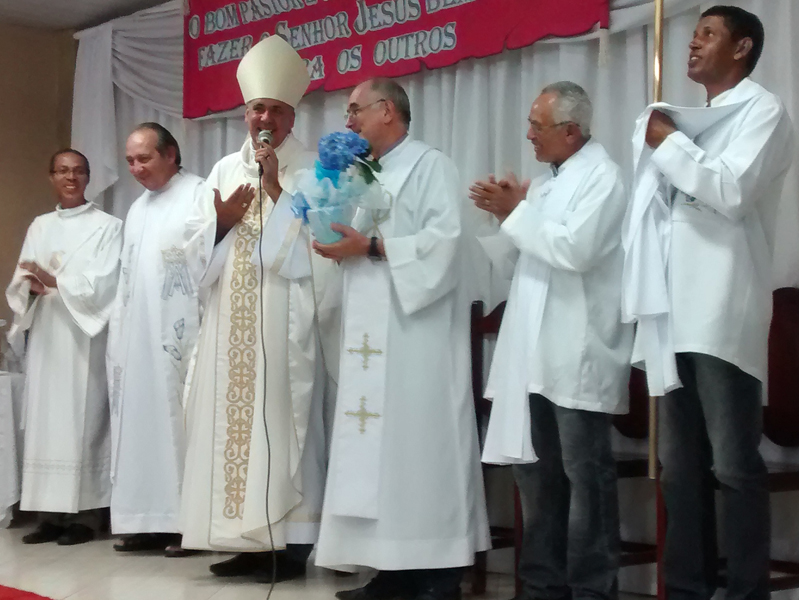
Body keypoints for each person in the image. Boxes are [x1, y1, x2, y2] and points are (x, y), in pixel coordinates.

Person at [627, 6, 795, 600]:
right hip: (672, 311)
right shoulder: (681, 119)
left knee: (733, 465)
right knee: (681, 469)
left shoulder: (764, 110)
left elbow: (729, 190)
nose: (692, 44)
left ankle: (747, 592)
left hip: (723, 308)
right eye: (693, 33)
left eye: (708, 34)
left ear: (743, 47)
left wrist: (670, 144)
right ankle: (686, 588)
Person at [312, 77, 490, 600]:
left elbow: (446, 245)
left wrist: (370, 247)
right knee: (379, 453)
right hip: (372, 333)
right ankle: (388, 567)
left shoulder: (430, 165)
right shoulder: (365, 173)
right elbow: (349, 238)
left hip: (419, 339)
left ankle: (436, 574)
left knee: (420, 450)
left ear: (387, 111)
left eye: (355, 111)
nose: (348, 122)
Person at [179, 35, 338, 582]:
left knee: (281, 418)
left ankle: (288, 544)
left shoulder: (315, 168)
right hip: (229, 320)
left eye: (273, 108)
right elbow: (195, 251)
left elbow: (318, 243)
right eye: (254, 108)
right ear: (245, 114)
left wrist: (274, 190)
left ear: (292, 115)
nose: (262, 117)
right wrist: (222, 221)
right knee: (232, 424)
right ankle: (243, 540)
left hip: (283, 316)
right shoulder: (223, 170)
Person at [469, 81, 633, 600]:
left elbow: (576, 252)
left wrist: (517, 214)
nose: (529, 136)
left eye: (537, 126)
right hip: (532, 353)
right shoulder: (541, 185)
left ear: (570, 130)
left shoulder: (603, 179)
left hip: (576, 351)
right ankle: (541, 586)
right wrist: (507, 216)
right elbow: (527, 260)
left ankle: (591, 589)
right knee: (536, 479)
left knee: (586, 480)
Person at [106, 123, 219, 555]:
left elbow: (209, 258)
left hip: (180, 333)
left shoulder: (198, 194)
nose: (135, 168)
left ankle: (186, 524)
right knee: (141, 423)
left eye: (144, 158)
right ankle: (148, 519)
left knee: (179, 422)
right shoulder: (137, 209)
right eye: (130, 160)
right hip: (138, 338)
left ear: (171, 153)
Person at [6, 149, 122, 545]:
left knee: (85, 419)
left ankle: (86, 517)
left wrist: (57, 283)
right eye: (62, 171)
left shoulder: (108, 226)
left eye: (78, 171)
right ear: (51, 177)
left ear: (88, 177)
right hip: (47, 334)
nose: (70, 177)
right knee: (46, 422)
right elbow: (22, 276)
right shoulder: (40, 226)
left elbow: (107, 283)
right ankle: (49, 515)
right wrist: (31, 285)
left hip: (83, 336)